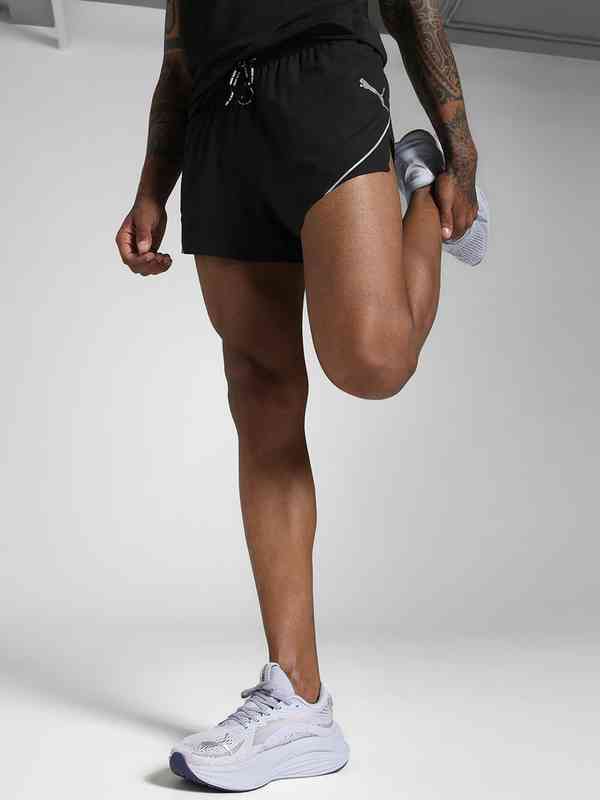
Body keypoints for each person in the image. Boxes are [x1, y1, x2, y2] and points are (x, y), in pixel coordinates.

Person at [115, 0, 489, 791]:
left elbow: (413, 7)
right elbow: (178, 56)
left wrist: (459, 147)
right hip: (218, 118)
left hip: (323, 75)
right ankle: (299, 700)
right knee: (260, 394)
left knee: (374, 361)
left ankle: (420, 189)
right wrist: (152, 188)